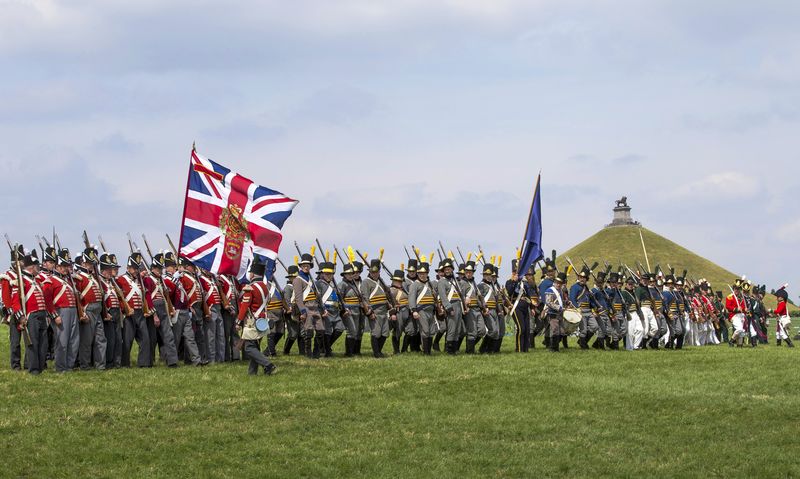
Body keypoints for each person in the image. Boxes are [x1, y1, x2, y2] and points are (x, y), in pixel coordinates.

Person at [11, 250, 50, 374]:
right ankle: (33, 369)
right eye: (36, 266)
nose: (38, 268)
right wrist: (21, 316)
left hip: (42, 314)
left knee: (43, 343)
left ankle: (40, 366)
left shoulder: (36, 280)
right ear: (32, 267)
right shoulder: (21, 280)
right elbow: (15, 302)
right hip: (31, 315)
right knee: (33, 343)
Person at [236, 258, 277, 376]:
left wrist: (238, 321)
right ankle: (252, 373)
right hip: (262, 320)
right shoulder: (265, 288)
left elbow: (244, 307)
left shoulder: (250, 288)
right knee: (254, 347)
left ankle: (268, 365)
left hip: (252, 321)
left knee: (248, 348)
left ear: (253, 273)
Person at [163, 253, 202, 366]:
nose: (174, 267)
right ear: (166, 267)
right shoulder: (167, 280)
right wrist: (171, 309)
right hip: (177, 312)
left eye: (174, 265)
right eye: (171, 265)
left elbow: (183, 295)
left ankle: (196, 360)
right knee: (175, 338)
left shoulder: (176, 279)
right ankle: (171, 360)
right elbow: (168, 297)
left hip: (185, 311)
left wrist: (189, 306)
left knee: (190, 337)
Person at [116, 253, 154, 367]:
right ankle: (125, 364)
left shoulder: (140, 281)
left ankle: (143, 363)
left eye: (137, 268)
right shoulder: (121, 280)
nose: (136, 270)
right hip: (129, 314)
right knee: (127, 341)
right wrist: (124, 310)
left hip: (140, 313)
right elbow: (119, 297)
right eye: (134, 268)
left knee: (145, 339)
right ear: (128, 268)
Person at [144, 253, 179, 367]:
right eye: (158, 268)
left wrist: (170, 308)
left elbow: (166, 296)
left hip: (163, 308)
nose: (160, 271)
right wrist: (154, 314)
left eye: (161, 268)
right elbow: (147, 297)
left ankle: (172, 361)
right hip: (154, 308)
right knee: (152, 338)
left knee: (168, 336)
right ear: (153, 268)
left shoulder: (161, 280)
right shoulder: (148, 280)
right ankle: (149, 361)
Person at [49, 248, 81, 372]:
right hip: (61, 311)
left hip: (73, 311)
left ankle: (69, 365)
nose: (66, 268)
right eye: (63, 266)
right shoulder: (51, 280)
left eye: (67, 266)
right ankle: (61, 367)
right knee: (62, 340)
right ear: (57, 266)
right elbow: (47, 301)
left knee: (74, 340)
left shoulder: (69, 280)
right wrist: (54, 315)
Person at [293, 253, 326, 358]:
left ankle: (316, 352)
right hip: (306, 308)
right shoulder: (298, 280)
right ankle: (308, 353)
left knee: (320, 330)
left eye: (308, 265)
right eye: (304, 266)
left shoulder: (312, 280)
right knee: (309, 331)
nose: (306, 267)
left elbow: (318, 296)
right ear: (301, 267)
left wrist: (323, 308)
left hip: (315, 307)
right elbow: (298, 297)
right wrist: (302, 311)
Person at [98, 252, 124, 369]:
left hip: (116, 312)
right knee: (111, 340)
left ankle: (116, 363)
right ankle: (109, 363)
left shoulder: (112, 282)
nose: (110, 272)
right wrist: (105, 312)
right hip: (108, 312)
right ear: (102, 270)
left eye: (111, 269)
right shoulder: (100, 282)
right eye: (108, 270)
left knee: (118, 339)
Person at [1, 245, 25, 370]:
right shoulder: (7, 276)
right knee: (15, 342)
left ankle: (28, 364)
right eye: (20, 261)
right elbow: (6, 298)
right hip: (14, 312)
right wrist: (12, 313)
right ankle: (15, 365)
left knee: (28, 340)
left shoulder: (23, 274)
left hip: (26, 310)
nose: (22, 263)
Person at [361, 259, 390, 358]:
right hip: (375, 310)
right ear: (369, 272)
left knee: (385, 333)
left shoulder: (381, 282)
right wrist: (369, 312)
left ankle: (379, 351)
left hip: (384, 310)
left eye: (376, 272)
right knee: (376, 332)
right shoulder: (366, 282)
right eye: (372, 272)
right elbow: (365, 298)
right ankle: (376, 353)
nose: (374, 274)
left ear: (379, 272)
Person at [439, 258, 465, 355]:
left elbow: (461, 293)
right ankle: (449, 350)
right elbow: (443, 296)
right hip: (451, 306)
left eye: (449, 269)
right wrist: (448, 308)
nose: (447, 270)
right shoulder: (442, 281)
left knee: (457, 328)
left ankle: (454, 349)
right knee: (451, 329)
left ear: (452, 269)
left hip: (458, 305)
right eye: (445, 269)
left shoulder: (455, 281)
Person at [570, 266, 600, 350]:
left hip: (589, 310)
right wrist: (577, 308)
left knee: (595, 326)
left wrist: (594, 310)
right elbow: (572, 299)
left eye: (584, 278)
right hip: (580, 310)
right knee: (583, 329)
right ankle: (583, 345)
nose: (582, 279)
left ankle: (582, 341)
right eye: (580, 277)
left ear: (586, 279)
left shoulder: (586, 288)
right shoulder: (575, 287)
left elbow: (590, 300)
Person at [477, 262, 500, 353]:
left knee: (496, 332)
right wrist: (483, 308)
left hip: (494, 310)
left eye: (489, 274)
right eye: (486, 274)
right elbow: (478, 299)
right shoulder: (480, 286)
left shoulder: (493, 286)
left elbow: (496, 299)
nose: (488, 276)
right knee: (493, 330)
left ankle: (490, 350)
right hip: (487, 310)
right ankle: (483, 349)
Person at [544, 270, 568, 352]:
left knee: (562, 332)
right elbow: (549, 302)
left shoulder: (560, 291)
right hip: (552, 313)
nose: (558, 284)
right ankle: (553, 348)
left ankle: (553, 346)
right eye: (557, 282)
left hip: (560, 314)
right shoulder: (550, 290)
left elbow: (561, 301)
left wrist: (567, 302)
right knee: (555, 331)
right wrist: (560, 308)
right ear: (554, 282)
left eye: (560, 283)